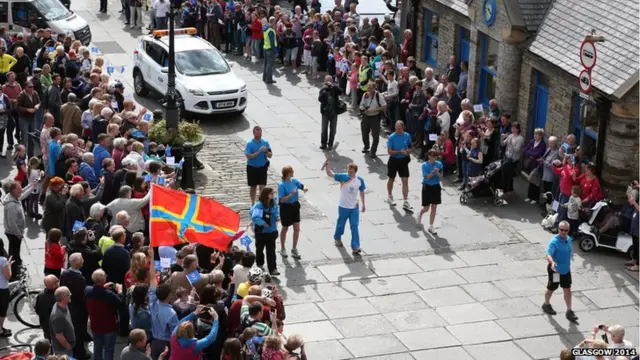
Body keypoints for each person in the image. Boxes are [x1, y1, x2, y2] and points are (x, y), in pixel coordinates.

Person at [323, 160, 366, 255]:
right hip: (343, 206)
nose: (349, 173)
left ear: (355, 172)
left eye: (351, 172)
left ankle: (355, 246)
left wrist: (363, 204)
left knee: (354, 226)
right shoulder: (343, 177)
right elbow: (330, 174)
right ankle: (337, 238)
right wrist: (327, 166)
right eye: (348, 171)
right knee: (341, 224)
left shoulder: (360, 180)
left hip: (354, 207)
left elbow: (362, 191)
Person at [542, 220, 578, 321]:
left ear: (568, 230)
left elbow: (569, 250)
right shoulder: (554, 241)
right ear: (558, 229)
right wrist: (552, 262)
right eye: (561, 230)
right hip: (556, 271)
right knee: (552, 288)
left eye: (566, 230)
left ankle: (569, 311)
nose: (563, 232)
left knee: (567, 290)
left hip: (565, 270)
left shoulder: (569, 239)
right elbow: (548, 254)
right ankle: (546, 304)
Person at [85, 269, 125, 360]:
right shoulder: (108, 294)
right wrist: (120, 291)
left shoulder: (87, 290)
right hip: (108, 326)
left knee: (97, 348)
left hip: (95, 325)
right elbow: (120, 302)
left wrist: (103, 287)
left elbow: (96, 291)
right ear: (103, 279)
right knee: (108, 350)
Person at [148, 248, 179, 360]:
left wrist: (151, 258)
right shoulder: (171, 313)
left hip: (154, 343)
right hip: (166, 345)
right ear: (169, 296)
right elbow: (175, 335)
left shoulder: (152, 303)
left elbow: (152, 278)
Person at [60, 252, 89, 360]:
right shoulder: (80, 279)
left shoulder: (65, 274)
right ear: (78, 264)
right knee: (78, 332)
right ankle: (80, 353)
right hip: (78, 309)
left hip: (69, 307)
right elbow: (82, 296)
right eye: (82, 260)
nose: (83, 261)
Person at [278, 166, 306, 260]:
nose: (293, 172)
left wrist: (305, 188)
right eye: (291, 171)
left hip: (295, 206)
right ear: (287, 173)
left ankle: (294, 249)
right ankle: (282, 248)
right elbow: (281, 199)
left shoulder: (294, 180)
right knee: (285, 228)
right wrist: (290, 195)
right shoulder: (282, 185)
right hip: (286, 208)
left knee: (297, 228)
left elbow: (301, 186)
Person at [251, 187, 280, 276]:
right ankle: (260, 264)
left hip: (271, 231)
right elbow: (255, 217)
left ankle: (273, 269)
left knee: (271, 250)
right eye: (271, 193)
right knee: (260, 249)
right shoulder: (259, 205)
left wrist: (277, 216)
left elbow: (275, 210)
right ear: (266, 194)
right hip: (261, 232)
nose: (273, 195)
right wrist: (263, 223)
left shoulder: (273, 201)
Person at [386, 120, 413, 211]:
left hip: (403, 161)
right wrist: (399, 152)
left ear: (403, 127)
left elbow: (410, 147)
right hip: (393, 161)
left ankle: (405, 201)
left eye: (400, 129)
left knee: (405, 181)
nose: (398, 130)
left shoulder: (407, 136)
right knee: (391, 179)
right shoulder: (392, 137)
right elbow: (389, 152)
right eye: (397, 129)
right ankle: (390, 196)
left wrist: (407, 151)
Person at [2, 180, 26, 278]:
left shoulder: (15, 198)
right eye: (19, 189)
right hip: (14, 233)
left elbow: (24, 192)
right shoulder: (11, 205)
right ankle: (14, 273)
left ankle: (15, 266)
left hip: (14, 232)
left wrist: (32, 186)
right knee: (14, 253)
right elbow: (12, 223)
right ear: (12, 191)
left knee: (14, 251)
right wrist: (19, 234)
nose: (21, 190)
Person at [359, 79, 386, 158]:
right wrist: (363, 109)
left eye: (371, 88)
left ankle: (373, 151)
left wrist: (373, 110)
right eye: (368, 88)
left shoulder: (378, 95)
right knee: (364, 133)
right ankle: (366, 146)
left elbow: (384, 106)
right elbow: (361, 104)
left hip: (375, 117)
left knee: (375, 135)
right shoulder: (365, 95)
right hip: (365, 116)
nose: (369, 90)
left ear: (374, 88)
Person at [245, 126, 272, 205]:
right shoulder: (250, 144)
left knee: (262, 187)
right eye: (257, 135)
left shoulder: (265, 143)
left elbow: (270, 155)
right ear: (254, 134)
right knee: (253, 187)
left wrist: (266, 151)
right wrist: (258, 152)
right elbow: (249, 156)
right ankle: (253, 203)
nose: (259, 136)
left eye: (260, 134)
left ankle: (261, 203)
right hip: (252, 168)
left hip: (262, 168)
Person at [419, 149, 442, 234]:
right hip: (427, 187)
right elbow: (427, 177)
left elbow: (441, 176)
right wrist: (433, 172)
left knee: (434, 207)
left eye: (435, 156)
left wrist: (438, 173)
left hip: (436, 187)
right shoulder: (424, 165)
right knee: (426, 208)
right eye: (432, 156)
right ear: (428, 156)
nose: (433, 158)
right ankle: (420, 213)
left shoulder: (439, 164)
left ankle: (431, 225)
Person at [318, 75, 343, 150]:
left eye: (330, 81)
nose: (328, 82)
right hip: (325, 112)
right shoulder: (323, 89)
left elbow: (341, 92)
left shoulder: (334, 88)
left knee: (333, 130)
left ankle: (330, 144)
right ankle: (323, 143)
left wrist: (334, 86)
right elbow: (319, 99)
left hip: (334, 112)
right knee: (324, 129)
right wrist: (324, 89)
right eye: (327, 81)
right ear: (325, 81)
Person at [50, 286, 75, 355]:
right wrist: (68, 347)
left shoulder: (63, 305)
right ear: (63, 298)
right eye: (69, 294)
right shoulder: (58, 316)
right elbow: (59, 336)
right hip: (63, 350)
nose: (70, 295)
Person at [35, 275, 60, 341]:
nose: (59, 282)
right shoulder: (57, 297)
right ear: (54, 285)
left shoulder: (40, 295)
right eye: (57, 281)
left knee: (48, 340)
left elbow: (37, 309)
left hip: (45, 325)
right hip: (56, 327)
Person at [0, 241, 13, 337]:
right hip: (2, 288)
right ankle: (0, 330)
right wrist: (9, 265)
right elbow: (7, 276)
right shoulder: (2, 260)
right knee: (2, 309)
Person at [262, 17, 278, 84]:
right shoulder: (271, 30)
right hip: (270, 49)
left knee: (266, 64)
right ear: (273, 22)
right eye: (275, 22)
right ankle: (269, 79)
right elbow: (272, 42)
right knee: (270, 65)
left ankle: (264, 77)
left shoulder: (266, 28)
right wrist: (275, 51)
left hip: (266, 47)